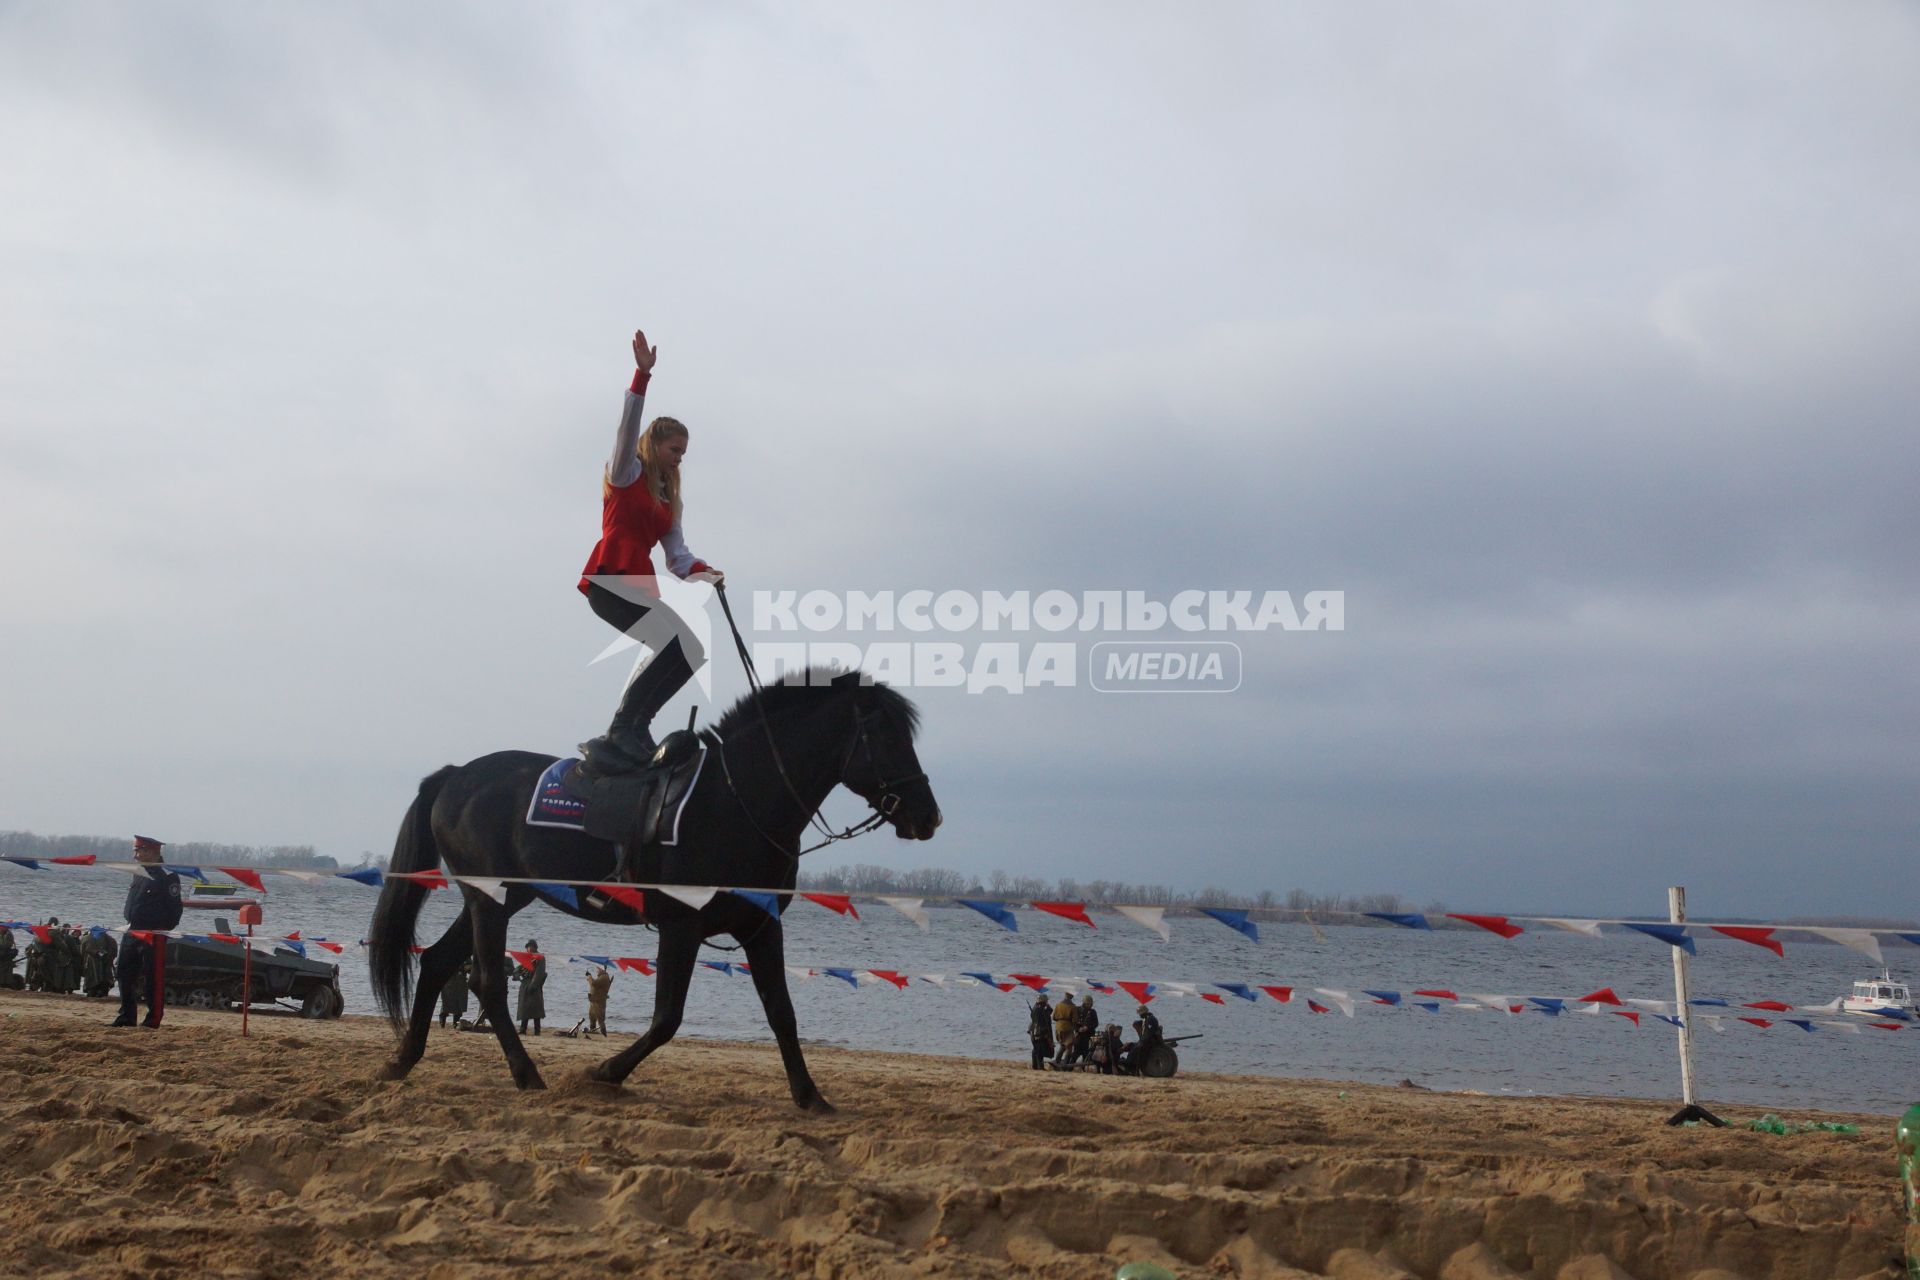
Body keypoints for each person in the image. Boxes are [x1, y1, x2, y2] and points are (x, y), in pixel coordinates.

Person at [568, 327, 724, 795]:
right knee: (679, 643)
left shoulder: (667, 500)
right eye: (674, 450)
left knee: (691, 649)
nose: (679, 459)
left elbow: (678, 557)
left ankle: (634, 727)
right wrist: (641, 376)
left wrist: (704, 572)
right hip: (609, 579)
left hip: (637, 584)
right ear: (654, 445)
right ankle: (623, 728)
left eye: (683, 453)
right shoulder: (626, 473)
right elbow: (626, 426)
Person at [113, 835, 183, 1028]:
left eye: (139, 851)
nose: (135, 855)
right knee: (123, 973)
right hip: (133, 929)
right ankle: (127, 1016)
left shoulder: (167, 876)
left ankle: (153, 1019)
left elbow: (175, 909)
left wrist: (162, 929)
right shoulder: (139, 873)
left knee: (154, 977)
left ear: (152, 852)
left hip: (154, 933)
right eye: (135, 850)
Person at [514, 940, 546, 1035]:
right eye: (528, 946)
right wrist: (516, 973)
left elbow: (539, 972)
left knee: (536, 1010)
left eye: (531, 946)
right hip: (524, 984)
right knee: (524, 1009)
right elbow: (519, 968)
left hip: (535, 986)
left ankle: (537, 1031)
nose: (529, 948)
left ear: (535, 947)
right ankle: (523, 1029)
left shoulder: (540, 957)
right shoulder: (526, 957)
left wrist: (533, 985)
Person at [82, 927, 119, 998]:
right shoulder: (111, 939)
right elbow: (115, 952)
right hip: (105, 961)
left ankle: (93, 991)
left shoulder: (88, 938)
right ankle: (101, 991)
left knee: (93, 977)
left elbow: (83, 950)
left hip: (92, 961)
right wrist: (110, 959)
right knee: (105, 977)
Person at [440, 959, 471, 1028]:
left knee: (459, 1006)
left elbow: (470, 969)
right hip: (449, 981)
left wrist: (468, 967)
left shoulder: (466, 954)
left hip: (461, 982)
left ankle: (455, 1024)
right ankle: (442, 1024)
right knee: (446, 1004)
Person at [1027, 993, 1054, 1070]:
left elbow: (1050, 1012)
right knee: (1039, 1050)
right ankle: (1039, 1066)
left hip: (1036, 1031)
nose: (1047, 1002)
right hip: (1039, 1032)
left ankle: (1035, 1066)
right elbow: (1042, 1021)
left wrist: (1047, 1006)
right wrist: (1045, 1033)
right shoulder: (1040, 1009)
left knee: (1036, 1049)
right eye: (1046, 1001)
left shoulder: (1038, 1007)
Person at [586, 966, 613, 1036]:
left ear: (601, 969)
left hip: (599, 1001)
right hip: (595, 1000)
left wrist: (589, 976)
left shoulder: (604, 977)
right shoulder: (602, 977)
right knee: (592, 1016)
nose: (597, 970)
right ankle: (592, 1030)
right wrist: (590, 978)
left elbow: (594, 984)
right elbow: (595, 985)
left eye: (598, 969)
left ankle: (604, 1033)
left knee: (600, 1018)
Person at [1051, 992, 1077, 1063]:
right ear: (1071, 997)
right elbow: (1074, 1020)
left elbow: (1054, 1017)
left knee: (1062, 1045)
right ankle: (1066, 1063)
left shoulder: (1058, 1005)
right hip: (1068, 1028)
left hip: (1058, 1027)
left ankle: (1057, 1060)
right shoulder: (1073, 1007)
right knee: (1069, 1046)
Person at [0, 924, 16, 988]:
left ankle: (5, 984)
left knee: (5, 970)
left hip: (6, 954)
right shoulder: (3, 934)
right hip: (3, 954)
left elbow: (7, 946)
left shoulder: (9, 935)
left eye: (1, 928)